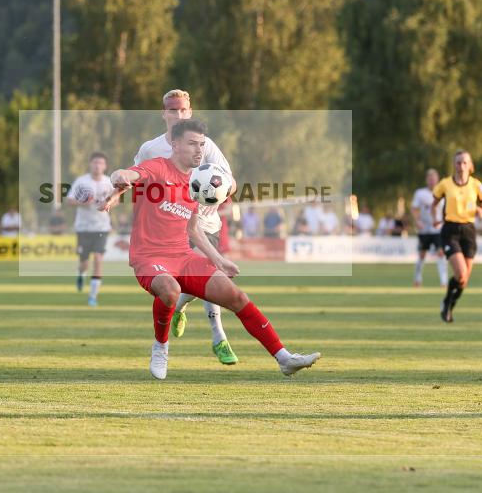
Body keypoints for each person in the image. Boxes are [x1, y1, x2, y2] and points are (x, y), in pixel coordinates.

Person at [106, 119, 320, 379]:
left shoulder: (199, 182)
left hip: (183, 257)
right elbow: (129, 173)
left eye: (202, 145)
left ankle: (283, 357)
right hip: (149, 257)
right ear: (175, 145)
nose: (199, 150)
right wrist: (120, 177)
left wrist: (218, 259)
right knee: (170, 289)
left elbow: (193, 229)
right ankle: (161, 347)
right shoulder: (158, 168)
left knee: (236, 297)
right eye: (192, 144)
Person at [101, 89, 239, 365]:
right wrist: (115, 196)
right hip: (169, 229)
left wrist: (220, 194)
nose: (179, 115)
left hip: (204, 224)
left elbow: (230, 181)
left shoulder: (206, 144)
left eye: (183, 110)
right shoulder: (150, 148)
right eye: (173, 110)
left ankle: (200, 323)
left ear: (190, 112)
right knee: (183, 281)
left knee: (207, 279)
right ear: (164, 114)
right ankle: (204, 331)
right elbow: (133, 178)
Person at [431, 150, 482, 323]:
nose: (461, 166)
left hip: (469, 231)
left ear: (470, 166)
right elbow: (434, 204)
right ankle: (447, 301)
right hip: (450, 230)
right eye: (458, 162)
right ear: (454, 165)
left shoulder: (476, 185)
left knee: (464, 280)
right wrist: (435, 219)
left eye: (464, 163)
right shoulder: (445, 184)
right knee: (461, 272)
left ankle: (449, 305)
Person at [66, 152, 115, 306]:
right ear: (90, 164)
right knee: (84, 262)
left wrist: (108, 203)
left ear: (105, 166)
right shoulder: (81, 181)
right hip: (83, 227)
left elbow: (117, 199)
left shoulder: (108, 182)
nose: (97, 165)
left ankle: (93, 296)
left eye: (100, 163)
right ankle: (81, 274)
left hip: (101, 227)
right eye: (95, 162)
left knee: (99, 260)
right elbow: (69, 200)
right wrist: (82, 202)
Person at [410, 169, 449, 287]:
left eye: (434, 178)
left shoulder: (443, 192)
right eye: (430, 179)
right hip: (424, 229)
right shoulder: (420, 193)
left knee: (441, 253)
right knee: (422, 254)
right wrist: (417, 221)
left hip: (438, 229)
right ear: (427, 180)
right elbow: (414, 208)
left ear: (437, 179)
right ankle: (417, 279)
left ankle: (444, 281)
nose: (432, 181)